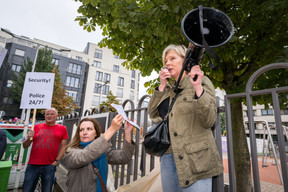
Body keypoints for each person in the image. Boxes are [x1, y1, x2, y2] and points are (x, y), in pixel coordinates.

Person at [148, 44, 223, 192]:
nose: (167, 63)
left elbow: (209, 120)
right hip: (168, 157)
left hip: (196, 159)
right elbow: (152, 113)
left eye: (172, 58)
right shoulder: (167, 89)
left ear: (185, 60)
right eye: (165, 61)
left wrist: (198, 88)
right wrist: (162, 85)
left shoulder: (201, 81)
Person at [63, 114, 135, 192]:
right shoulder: (70, 151)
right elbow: (85, 155)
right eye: (81, 130)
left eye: (89, 129)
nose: (84, 132)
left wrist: (127, 133)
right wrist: (112, 129)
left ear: (96, 133)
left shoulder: (103, 150)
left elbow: (124, 158)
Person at [22, 108, 68, 192]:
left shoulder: (62, 128)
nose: (49, 116)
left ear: (57, 116)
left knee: (47, 190)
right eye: (47, 114)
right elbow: (25, 146)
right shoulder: (35, 127)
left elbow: (64, 146)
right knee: (27, 189)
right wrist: (29, 138)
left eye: (52, 114)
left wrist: (56, 161)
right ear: (45, 116)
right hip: (33, 165)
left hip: (49, 166)